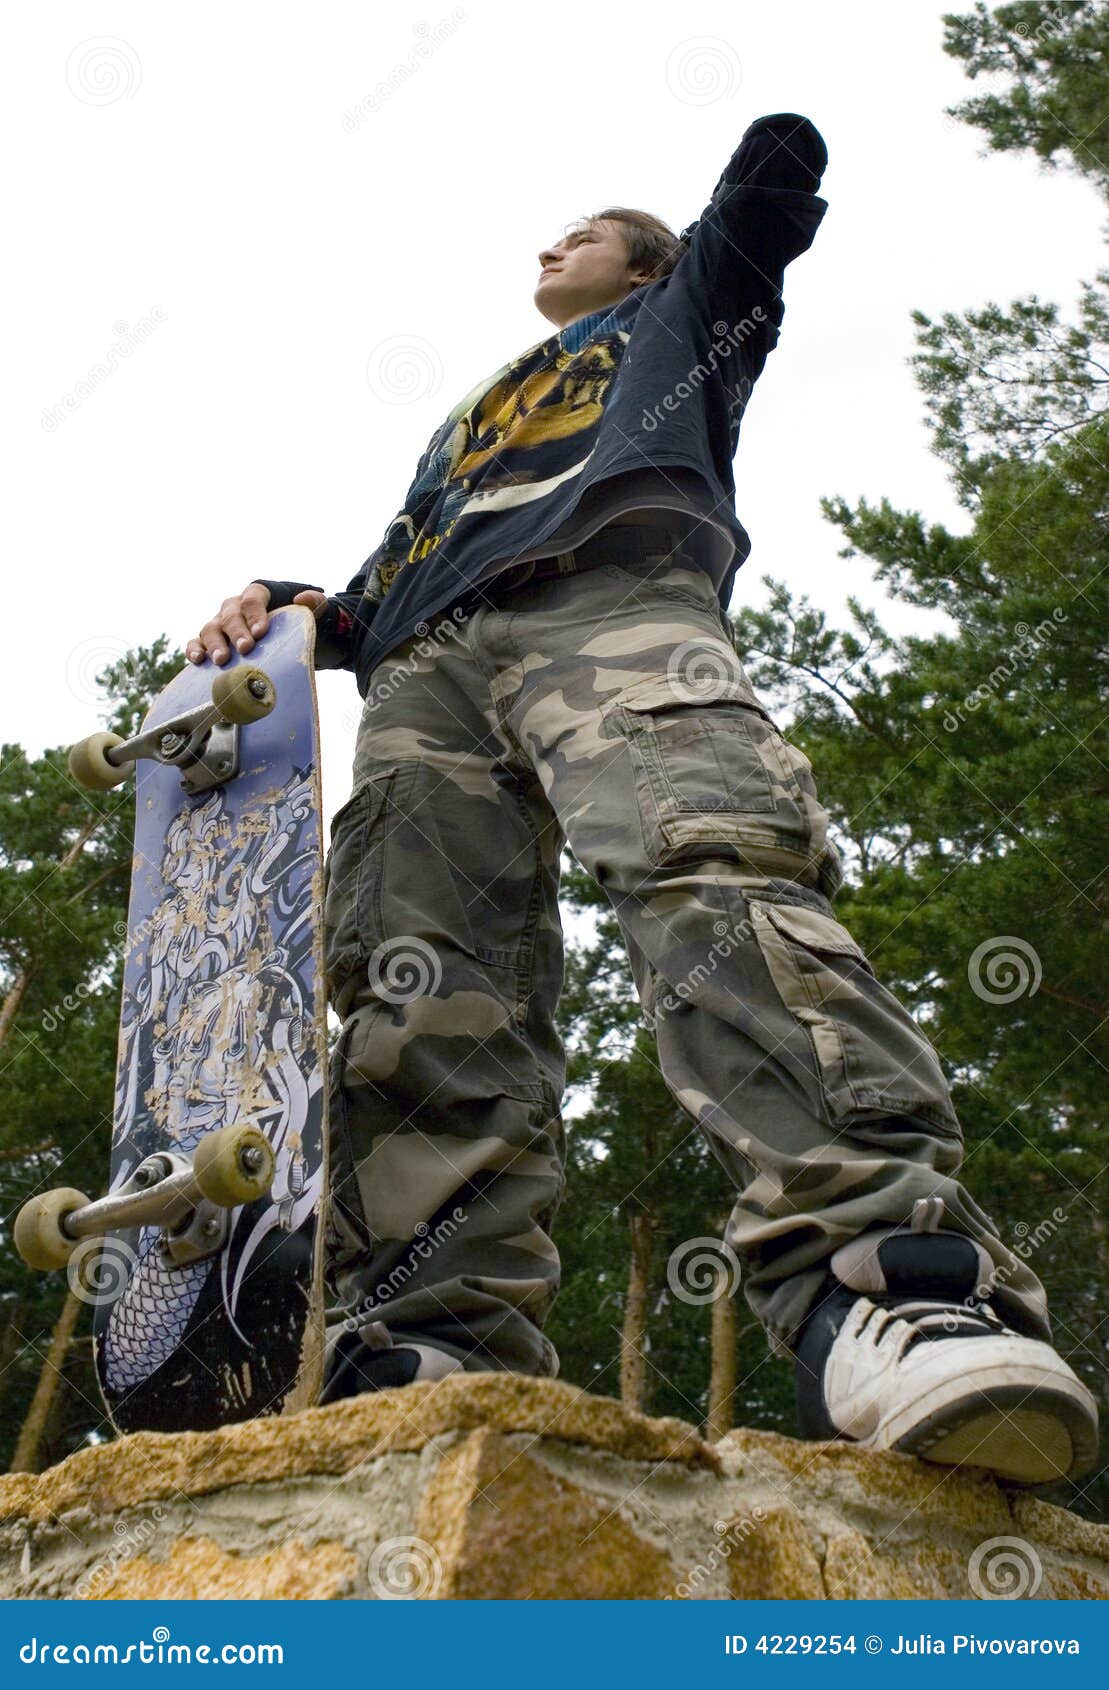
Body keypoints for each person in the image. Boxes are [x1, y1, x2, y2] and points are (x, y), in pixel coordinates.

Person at [188, 114, 1097, 1483]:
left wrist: (765, 179)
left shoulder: (677, 320)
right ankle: (432, 1334)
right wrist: (284, 604)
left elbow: (745, 243)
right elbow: (382, 582)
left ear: (640, 265)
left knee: (711, 880)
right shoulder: (474, 416)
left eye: (586, 233)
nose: (551, 244)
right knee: (417, 981)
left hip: (615, 609)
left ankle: (890, 1273)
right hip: (427, 673)